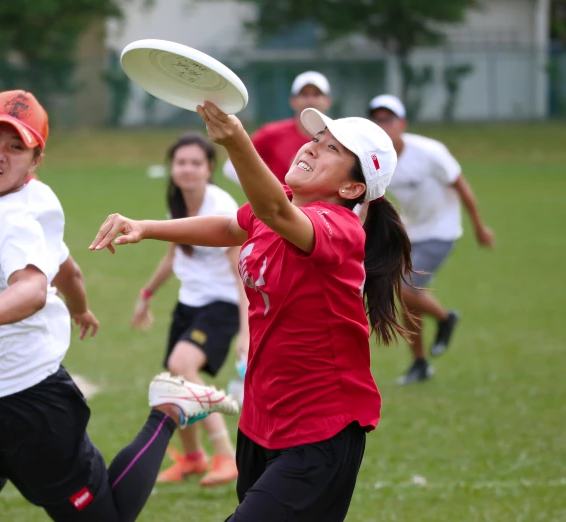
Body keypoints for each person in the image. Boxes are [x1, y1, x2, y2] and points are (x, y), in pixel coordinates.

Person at [0, 90, 238, 522]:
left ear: (35, 161)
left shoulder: (12, 220)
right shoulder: (37, 198)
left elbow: (33, 288)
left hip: (30, 409)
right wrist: (80, 306)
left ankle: (167, 412)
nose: (0, 154)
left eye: (17, 147)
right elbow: (67, 269)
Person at [90, 101, 414, 521]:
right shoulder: (277, 206)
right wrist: (146, 228)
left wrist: (236, 141)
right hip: (261, 419)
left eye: (332, 149)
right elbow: (229, 227)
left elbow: (273, 213)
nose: (313, 148)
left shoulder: (339, 228)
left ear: (353, 189)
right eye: (316, 139)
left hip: (321, 427)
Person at [132, 133, 247, 486]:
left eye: (196, 163)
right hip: (189, 304)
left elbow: (240, 271)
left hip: (222, 305)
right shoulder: (177, 205)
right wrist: (147, 292)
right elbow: (173, 253)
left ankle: (226, 455)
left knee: (182, 365)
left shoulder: (222, 206)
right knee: (176, 381)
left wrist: (247, 329)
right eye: (181, 163)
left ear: (209, 168)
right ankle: (194, 459)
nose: (187, 170)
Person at [367, 94, 495, 384]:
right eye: (376, 119)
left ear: (402, 123)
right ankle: (420, 363)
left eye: (388, 118)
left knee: (403, 288)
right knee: (409, 300)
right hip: (411, 232)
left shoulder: (429, 152)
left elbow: (461, 186)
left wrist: (479, 226)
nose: (382, 124)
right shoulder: (378, 159)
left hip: (442, 230)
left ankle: (445, 317)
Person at [222, 70, 332, 185]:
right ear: (292, 101)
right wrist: (268, 193)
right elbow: (231, 168)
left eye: (316, 95)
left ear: (328, 101)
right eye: (304, 95)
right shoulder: (271, 134)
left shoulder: (338, 138)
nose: (310, 100)